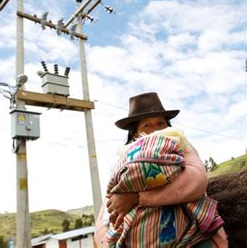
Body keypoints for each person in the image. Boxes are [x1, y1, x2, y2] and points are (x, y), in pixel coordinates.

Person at [94, 92, 228, 247]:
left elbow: (196, 180)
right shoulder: (124, 159)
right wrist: (106, 239)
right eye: (147, 125)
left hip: (190, 237)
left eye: (160, 123)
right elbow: (109, 206)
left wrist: (137, 198)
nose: (155, 130)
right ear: (135, 132)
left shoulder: (181, 146)